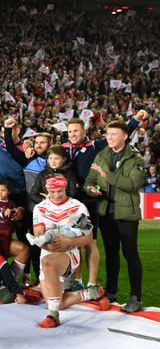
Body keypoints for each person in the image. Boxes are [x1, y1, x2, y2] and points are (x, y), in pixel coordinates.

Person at [84, 120, 145, 312]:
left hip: (126, 214)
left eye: (113, 134)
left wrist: (107, 174)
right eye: (108, 134)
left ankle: (136, 297)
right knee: (111, 254)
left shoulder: (136, 158)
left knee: (130, 254)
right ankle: (111, 292)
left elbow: (133, 185)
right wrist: (91, 189)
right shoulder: (102, 155)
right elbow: (89, 180)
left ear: (125, 136)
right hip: (106, 213)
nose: (109, 138)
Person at [33, 175, 109, 328]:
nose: (56, 195)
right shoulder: (40, 208)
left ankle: (53, 317)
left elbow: (88, 239)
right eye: (52, 191)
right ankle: (90, 293)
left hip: (69, 253)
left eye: (59, 191)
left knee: (48, 263)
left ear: (65, 188)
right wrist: (48, 247)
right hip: (48, 252)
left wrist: (67, 241)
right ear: (47, 190)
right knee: (55, 302)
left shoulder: (78, 206)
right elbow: (38, 235)